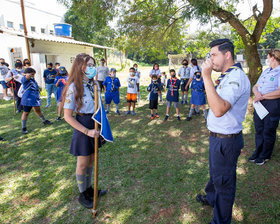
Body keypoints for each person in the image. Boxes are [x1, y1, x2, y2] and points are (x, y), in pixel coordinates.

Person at [195, 39, 250, 224]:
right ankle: (211, 198)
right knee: (215, 175)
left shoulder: (236, 77)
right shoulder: (227, 75)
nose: (211, 59)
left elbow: (219, 109)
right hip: (218, 138)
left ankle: (220, 221)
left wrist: (206, 76)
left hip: (226, 141)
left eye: (214, 55)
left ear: (227, 55)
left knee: (224, 183)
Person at [63, 53, 106, 209]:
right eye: (90, 65)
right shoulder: (73, 87)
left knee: (91, 160)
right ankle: (83, 194)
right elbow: (68, 116)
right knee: (82, 163)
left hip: (95, 123)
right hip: (83, 125)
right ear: (81, 67)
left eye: (94, 65)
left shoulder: (94, 85)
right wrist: (87, 132)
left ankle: (89, 189)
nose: (93, 68)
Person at [248, 49, 280, 166]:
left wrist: (263, 96)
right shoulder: (266, 71)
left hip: (272, 104)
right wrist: (257, 93)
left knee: (268, 130)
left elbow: (279, 91)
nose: (266, 59)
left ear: (273, 58)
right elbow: (256, 86)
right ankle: (258, 151)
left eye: (268, 57)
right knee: (259, 129)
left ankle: (265, 155)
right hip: (260, 103)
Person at [20, 68, 53, 134]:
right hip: (28, 99)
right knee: (26, 113)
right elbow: (27, 77)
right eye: (32, 74)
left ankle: (44, 121)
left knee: (38, 110)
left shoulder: (32, 79)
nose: (33, 75)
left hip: (35, 98)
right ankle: (23, 128)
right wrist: (27, 74)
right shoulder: (24, 79)